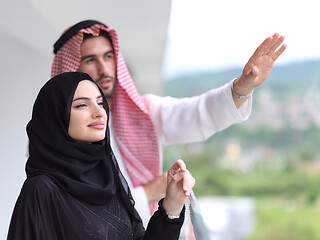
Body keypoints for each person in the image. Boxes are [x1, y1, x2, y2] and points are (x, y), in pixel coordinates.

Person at [51, 20, 286, 226]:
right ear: (71, 68)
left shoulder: (142, 113)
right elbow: (78, 218)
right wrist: (148, 193)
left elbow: (197, 114)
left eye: (108, 56)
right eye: (90, 60)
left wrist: (242, 88)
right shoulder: (54, 140)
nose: (104, 69)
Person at [7, 72, 195, 240]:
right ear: (55, 117)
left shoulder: (108, 179)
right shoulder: (41, 190)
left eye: (100, 102)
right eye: (81, 105)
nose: (99, 113)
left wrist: (172, 206)